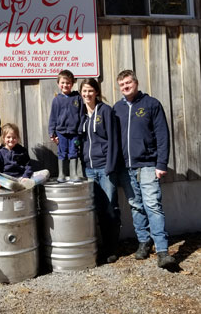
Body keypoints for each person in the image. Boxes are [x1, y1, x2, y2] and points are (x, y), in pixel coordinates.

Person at [113, 69, 176, 268]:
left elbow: (162, 135)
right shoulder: (117, 109)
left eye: (128, 83)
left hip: (148, 165)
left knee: (153, 206)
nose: (125, 87)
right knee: (136, 206)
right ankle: (143, 242)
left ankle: (163, 250)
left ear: (136, 83)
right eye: (122, 85)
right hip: (126, 167)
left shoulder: (151, 104)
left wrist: (161, 164)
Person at [78, 78, 120, 264]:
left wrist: (110, 165)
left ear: (96, 92)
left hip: (105, 167)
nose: (87, 94)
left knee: (110, 207)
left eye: (90, 91)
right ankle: (102, 246)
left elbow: (113, 139)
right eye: (84, 91)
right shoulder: (82, 115)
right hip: (89, 169)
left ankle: (112, 248)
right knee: (98, 209)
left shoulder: (106, 111)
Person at [48, 69, 82, 182]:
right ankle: (61, 174)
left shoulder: (77, 98)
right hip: (61, 132)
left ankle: (73, 174)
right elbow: (53, 117)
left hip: (74, 132)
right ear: (58, 84)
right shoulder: (56, 100)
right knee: (62, 152)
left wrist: (80, 129)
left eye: (68, 83)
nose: (65, 85)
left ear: (72, 84)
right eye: (63, 83)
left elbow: (82, 115)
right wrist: (51, 132)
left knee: (74, 151)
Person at [0, 123, 34, 189]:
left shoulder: (22, 150)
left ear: (17, 138)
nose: (11, 140)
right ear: (4, 138)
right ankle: (12, 185)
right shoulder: (0, 152)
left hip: (20, 178)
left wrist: (26, 176)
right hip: (6, 178)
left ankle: (20, 185)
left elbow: (28, 166)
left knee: (45, 172)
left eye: (14, 137)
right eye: (8, 137)